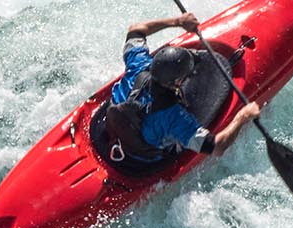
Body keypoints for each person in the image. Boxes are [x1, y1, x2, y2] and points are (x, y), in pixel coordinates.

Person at [89, 11, 260, 170]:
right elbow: (216, 147)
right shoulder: (175, 118)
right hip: (140, 158)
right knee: (173, 136)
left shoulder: (138, 65)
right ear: (178, 81)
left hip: (105, 129)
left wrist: (177, 21)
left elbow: (136, 30)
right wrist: (242, 117)